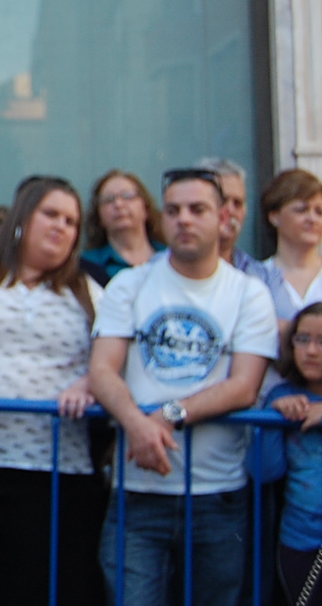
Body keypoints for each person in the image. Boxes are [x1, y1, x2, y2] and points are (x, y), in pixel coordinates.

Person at [87, 168, 279, 606]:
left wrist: (163, 417)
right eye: (173, 210)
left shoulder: (249, 294)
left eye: (198, 210)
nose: (184, 220)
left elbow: (244, 387)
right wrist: (137, 424)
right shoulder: (130, 284)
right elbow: (102, 370)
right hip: (136, 493)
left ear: (223, 218)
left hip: (218, 495)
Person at [0, 176, 105, 606]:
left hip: (55, 469)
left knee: (36, 587)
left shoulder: (88, 290)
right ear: (23, 216)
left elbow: (119, 358)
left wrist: (91, 380)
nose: (62, 227)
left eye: (72, 221)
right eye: (50, 214)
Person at [266, 300, 322, 604]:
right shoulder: (283, 395)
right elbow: (265, 470)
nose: (311, 351)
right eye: (302, 339)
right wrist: (274, 418)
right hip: (301, 539)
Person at [251, 169, 322, 325]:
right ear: (274, 216)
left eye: (319, 212)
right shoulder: (256, 278)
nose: (312, 219)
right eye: (301, 210)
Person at [82, 169, 162, 284]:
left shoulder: (170, 257)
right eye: (109, 200)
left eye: (127, 196)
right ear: (99, 216)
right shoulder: (87, 265)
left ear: (146, 208)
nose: (119, 204)